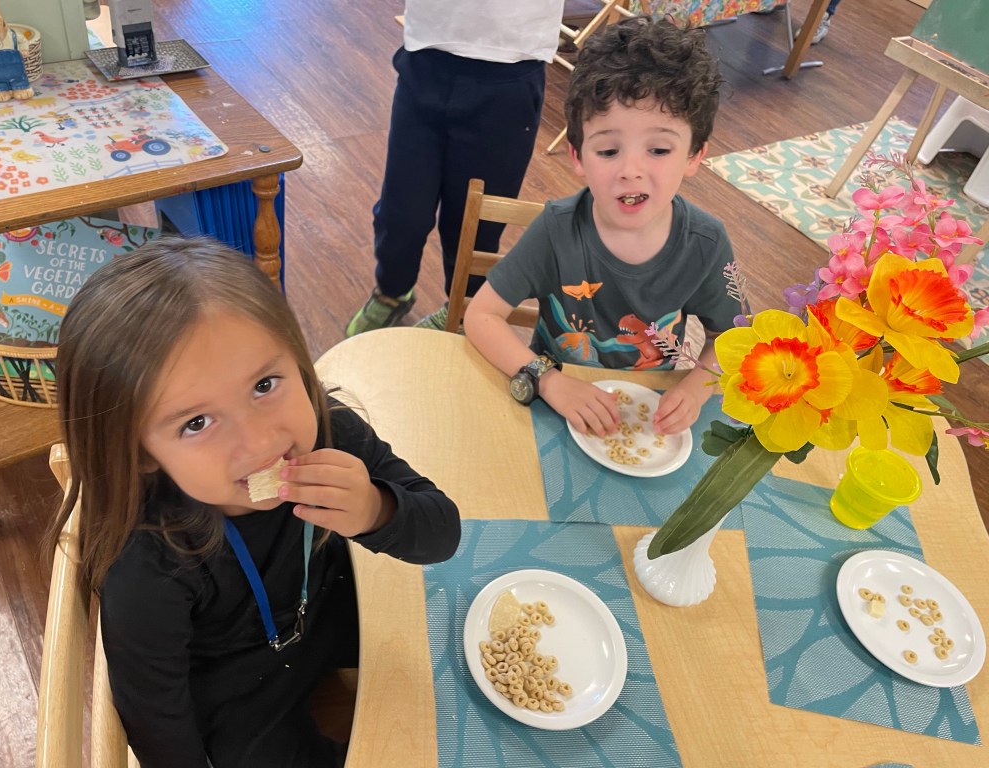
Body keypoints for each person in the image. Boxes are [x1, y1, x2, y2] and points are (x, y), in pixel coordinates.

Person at [46, 238, 461, 768]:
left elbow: (442, 533)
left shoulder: (329, 433)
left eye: (265, 384)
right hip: (239, 687)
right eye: (197, 422)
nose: (261, 442)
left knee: (454, 666)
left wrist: (376, 510)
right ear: (142, 453)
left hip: (330, 610)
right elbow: (156, 722)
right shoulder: (148, 564)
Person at [464, 17, 743, 438]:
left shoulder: (706, 242)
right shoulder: (556, 230)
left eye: (659, 149)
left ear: (694, 156)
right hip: (554, 404)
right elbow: (482, 316)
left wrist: (696, 387)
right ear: (578, 156)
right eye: (609, 150)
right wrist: (548, 381)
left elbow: (732, 338)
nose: (630, 170)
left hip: (649, 418)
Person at [345, 0, 566, 336]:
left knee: (476, 224)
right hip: (428, 54)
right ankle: (392, 292)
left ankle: (463, 310)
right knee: (401, 211)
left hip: (510, 66)